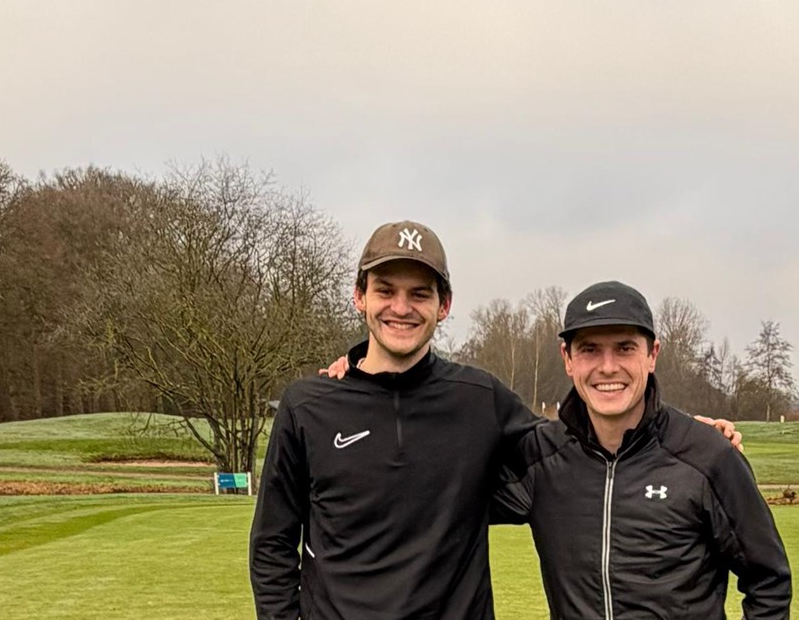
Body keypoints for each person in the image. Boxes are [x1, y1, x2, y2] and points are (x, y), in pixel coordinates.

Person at [249, 222, 740, 620]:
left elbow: (577, 445)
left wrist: (673, 432)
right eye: (385, 290)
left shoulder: (479, 398)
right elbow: (273, 543)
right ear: (360, 296)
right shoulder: (308, 406)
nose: (401, 307)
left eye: (419, 294)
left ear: (444, 305)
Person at [495, 280, 793, 620]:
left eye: (625, 348)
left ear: (652, 355)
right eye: (590, 349)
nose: (608, 367)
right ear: (568, 359)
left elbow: (768, 580)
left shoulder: (708, 455)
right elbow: (452, 496)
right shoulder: (539, 456)